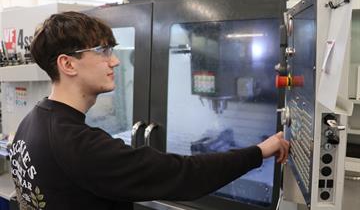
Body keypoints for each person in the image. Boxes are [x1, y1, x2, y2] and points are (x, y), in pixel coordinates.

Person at [9, 11, 289, 210]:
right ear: (68, 64)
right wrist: (259, 152)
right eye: (103, 51)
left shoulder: (31, 122)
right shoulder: (80, 145)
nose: (115, 61)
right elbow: (184, 175)